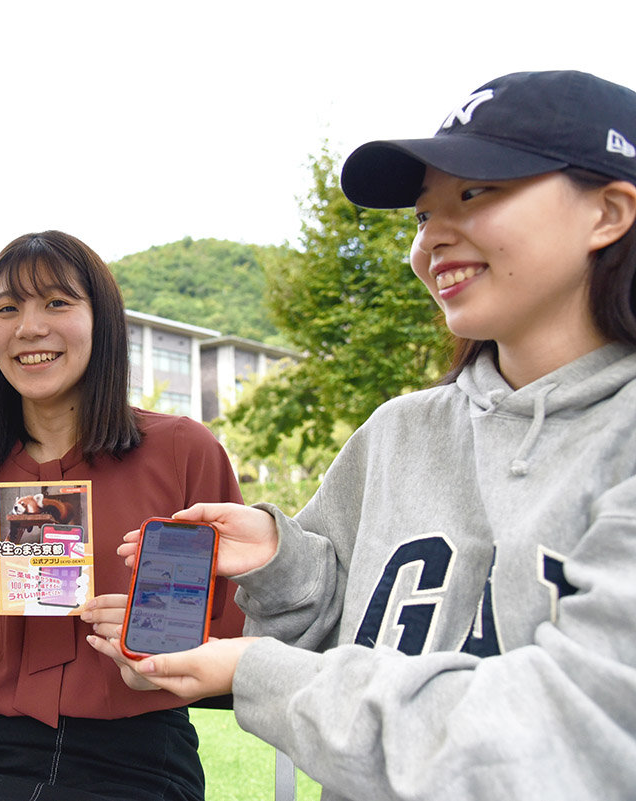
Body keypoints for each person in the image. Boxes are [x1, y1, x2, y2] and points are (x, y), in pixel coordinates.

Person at [88, 70, 636, 799]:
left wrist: (252, 670)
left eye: (476, 194)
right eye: (420, 215)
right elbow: (341, 629)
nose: (434, 239)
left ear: (609, 211)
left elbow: (569, 731)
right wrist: (282, 559)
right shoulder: (400, 430)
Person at [0, 231, 246, 800]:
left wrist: (155, 644)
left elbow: (234, 642)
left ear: (103, 322)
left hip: (142, 754)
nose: (29, 327)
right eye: (7, 308)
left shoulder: (183, 452)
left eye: (57, 302)